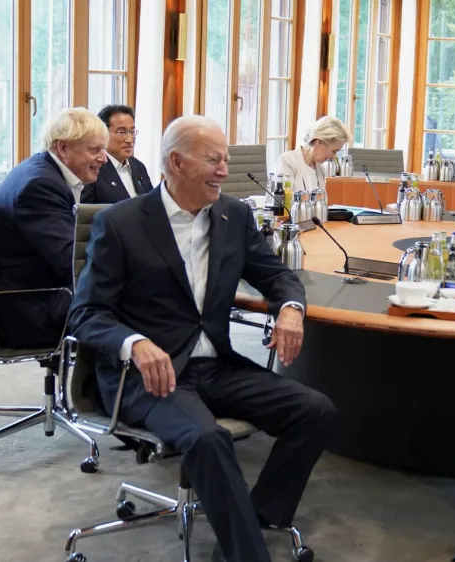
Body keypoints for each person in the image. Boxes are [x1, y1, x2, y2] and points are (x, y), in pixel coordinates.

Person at [68, 115, 336, 562]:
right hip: (148, 375)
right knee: (207, 438)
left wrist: (291, 309)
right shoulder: (121, 223)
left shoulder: (233, 216)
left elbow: (278, 277)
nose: (224, 170)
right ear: (175, 162)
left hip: (215, 365)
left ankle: (258, 515)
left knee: (316, 411)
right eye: (213, 160)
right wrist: (133, 341)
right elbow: (86, 313)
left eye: (226, 159)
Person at [0, 107, 108, 349]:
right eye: (95, 150)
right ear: (63, 148)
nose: (103, 158)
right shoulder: (40, 187)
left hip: (37, 291)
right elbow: (69, 261)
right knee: (141, 309)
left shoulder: (45, 171)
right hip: (31, 309)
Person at [80, 104, 154, 203]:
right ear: (103, 133)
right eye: (122, 132)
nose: (129, 139)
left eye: (132, 132)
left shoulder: (138, 166)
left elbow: (151, 203)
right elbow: (85, 214)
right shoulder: (93, 168)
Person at [272, 116, 350, 192]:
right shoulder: (288, 161)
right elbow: (283, 201)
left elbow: (322, 203)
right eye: (333, 151)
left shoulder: (321, 169)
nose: (334, 157)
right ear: (320, 142)